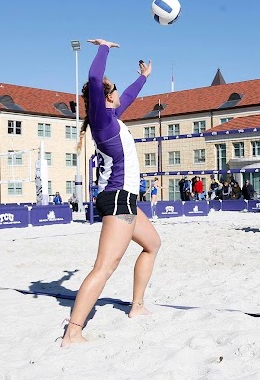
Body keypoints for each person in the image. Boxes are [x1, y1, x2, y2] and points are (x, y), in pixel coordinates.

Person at [61, 39, 161, 348]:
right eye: (113, 87)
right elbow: (94, 79)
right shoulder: (102, 121)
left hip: (125, 198)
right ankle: (73, 332)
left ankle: (137, 305)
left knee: (152, 244)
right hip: (118, 198)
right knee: (104, 267)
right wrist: (103, 48)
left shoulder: (112, 117)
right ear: (105, 97)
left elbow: (128, 95)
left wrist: (144, 77)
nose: (119, 91)